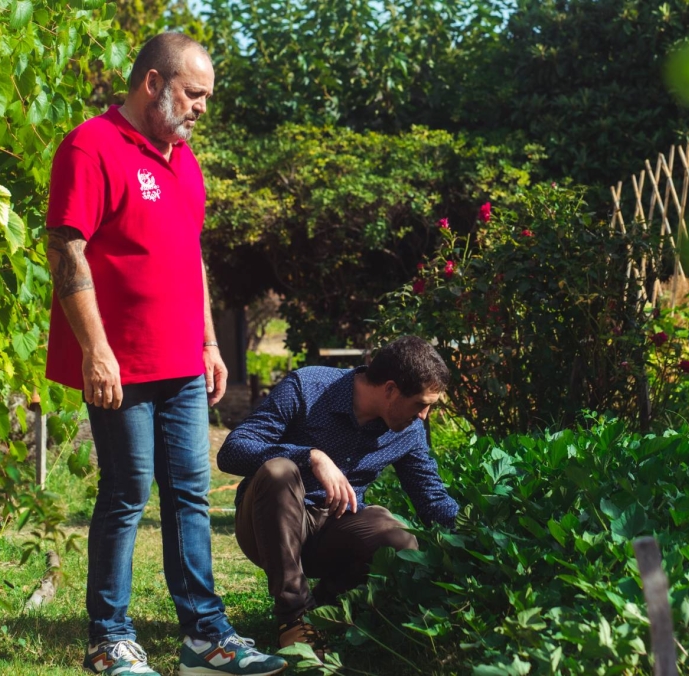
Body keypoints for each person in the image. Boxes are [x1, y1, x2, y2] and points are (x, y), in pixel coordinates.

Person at [45, 32, 286, 676]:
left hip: (181, 361)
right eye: (194, 93)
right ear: (153, 83)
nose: (203, 107)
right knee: (127, 492)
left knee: (189, 492)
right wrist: (95, 350)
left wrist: (208, 341)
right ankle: (109, 638)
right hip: (120, 363)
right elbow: (65, 250)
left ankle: (205, 636)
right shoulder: (91, 145)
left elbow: (190, 256)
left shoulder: (184, 158)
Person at [217, 336, 460, 652]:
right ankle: (294, 620)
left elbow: (432, 500)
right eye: (420, 404)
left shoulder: (409, 432)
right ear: (390, 389)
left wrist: (479, 535)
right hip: (266, 523)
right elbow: (233, 450)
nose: (424, 415)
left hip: (331, 530)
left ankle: (321, 609)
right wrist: (309, 456)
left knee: (399, 538)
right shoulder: (308, 386)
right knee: (280, 470)